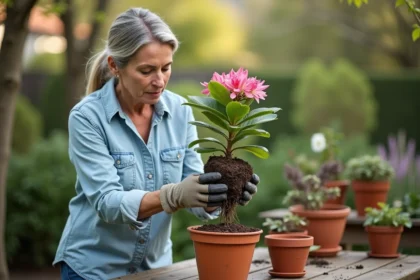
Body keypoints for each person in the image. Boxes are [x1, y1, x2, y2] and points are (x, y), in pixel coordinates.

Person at [53, 7, 259, 280]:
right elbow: (106, 202)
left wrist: (219, 195)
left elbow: (192, 184)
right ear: (115, 65)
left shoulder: (179, 111)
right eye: (147, 70)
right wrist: (171, 196)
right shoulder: (87, 117)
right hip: (93, 269)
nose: (159, 80)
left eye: (166, 67)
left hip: (156, 269)